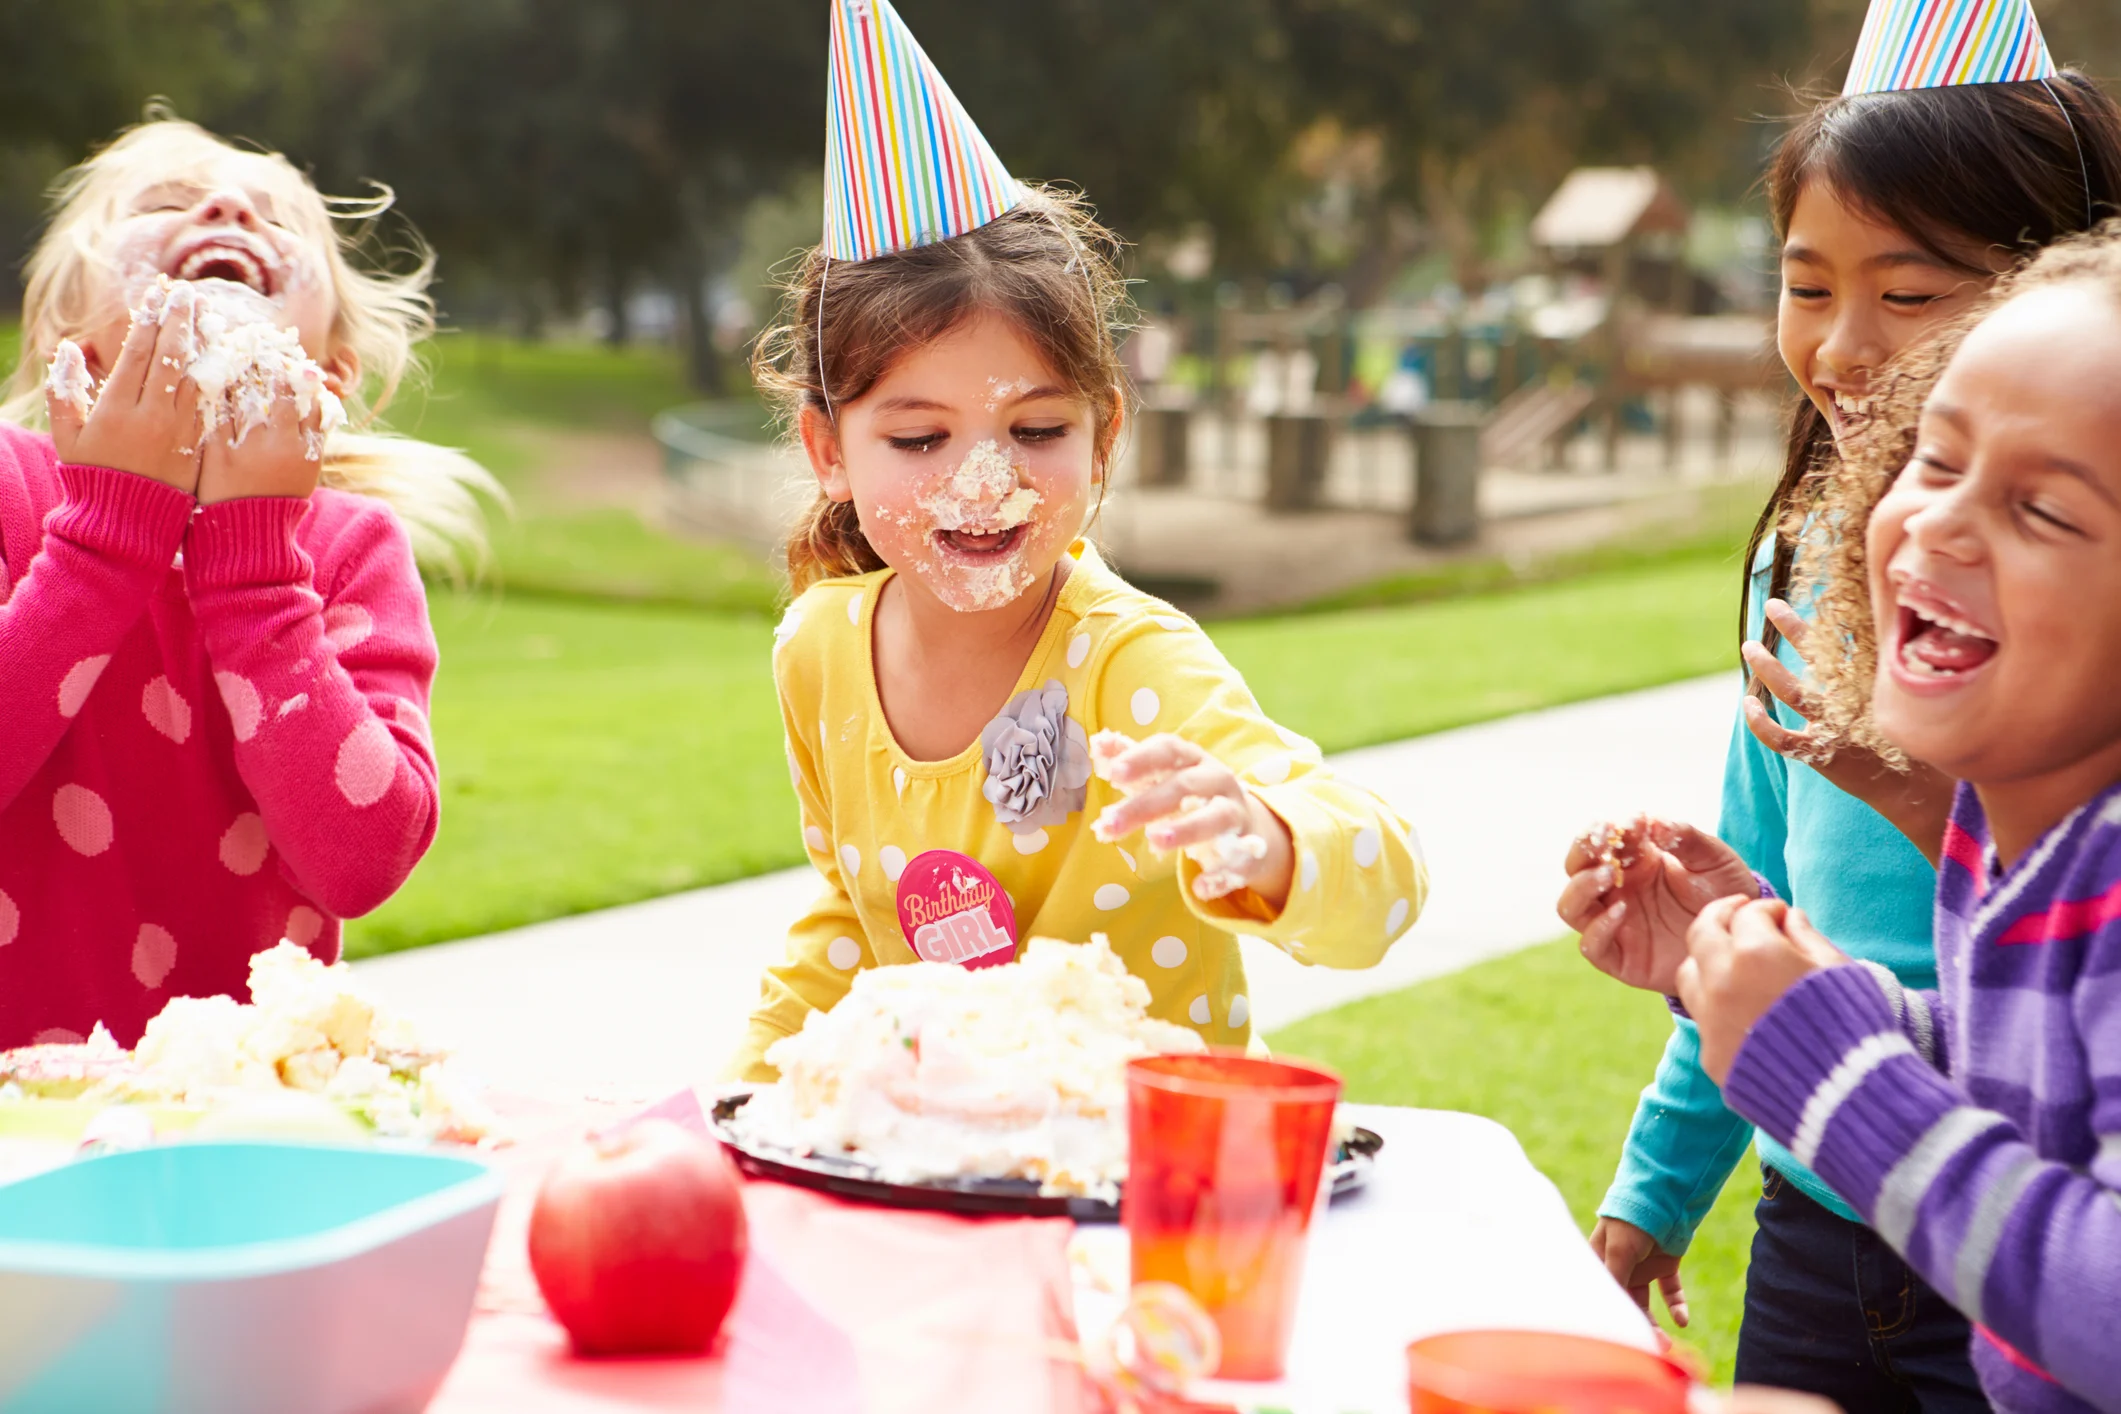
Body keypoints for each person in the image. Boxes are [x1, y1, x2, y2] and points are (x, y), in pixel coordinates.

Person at [1566, 0, 2121, 1402]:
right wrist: (1726, 958)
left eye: (1915, 292)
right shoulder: (1809, 575)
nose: (1844, 345)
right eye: (1805, 285)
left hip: (1981, 1220)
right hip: (1821, 1214)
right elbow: (2001, 1009)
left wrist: (1927, 811)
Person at [729, 0, 1423, 1079]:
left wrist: (1266, 834)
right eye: (919, 437)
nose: (985, 481)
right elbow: (846, 930)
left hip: (1130, 1180)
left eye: (1038, 428)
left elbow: (1382, 882)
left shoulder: (1128, 664)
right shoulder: (817, 651)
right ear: (828, 449)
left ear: (1104, 436)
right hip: (934, 1160)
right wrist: (744, 1101)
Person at [0, 115, 492, 1048]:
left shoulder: (349, 551)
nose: (226, 209)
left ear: (331, 376)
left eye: (276, 222)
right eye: (168, 204)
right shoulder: (8, 488)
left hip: (229, 1112)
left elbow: (361, 862)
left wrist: (255, 571)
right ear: (78, 345)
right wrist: (104, 542)